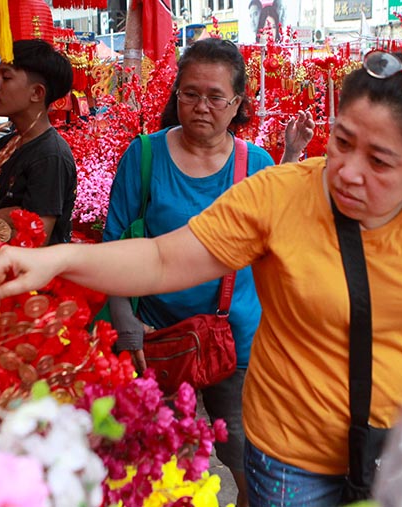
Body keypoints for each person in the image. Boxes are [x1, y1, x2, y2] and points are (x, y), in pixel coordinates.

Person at [0, 51, 402, 507]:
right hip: (291, 455)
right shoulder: (280, 192)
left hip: (400, 449)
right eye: (342, 141)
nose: (347, 170)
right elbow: (162, 259)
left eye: (381, 160)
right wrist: (56, 260)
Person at [105, 38, 313, 507]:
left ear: (237, 103)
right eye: (190, 93)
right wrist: (126, 326)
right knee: (146, 463)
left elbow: (280, 241)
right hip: (156, 340)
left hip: (237, 345)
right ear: (176, 93)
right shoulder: (142, 158)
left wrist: (291, 164)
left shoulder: (256, 165)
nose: (201, 106)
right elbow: (115, 248)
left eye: (216, 97)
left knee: (250, 467)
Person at [0, 39, 77, 246]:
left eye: (6, 77)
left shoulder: (50, 156)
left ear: (37, 93)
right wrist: (4, 216)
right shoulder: (5, 144)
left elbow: (35, 240)